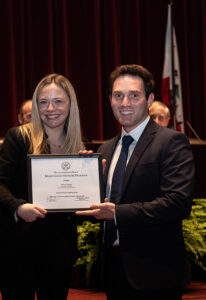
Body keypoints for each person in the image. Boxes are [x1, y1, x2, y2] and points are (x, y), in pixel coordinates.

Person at [76, 64, 194, 300]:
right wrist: (85, 182)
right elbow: (101, 207)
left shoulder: (172, 142)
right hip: (113, 272)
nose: (125, 103)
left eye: (134, 96)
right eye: (118, 95)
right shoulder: (106, 149)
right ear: (110, 100)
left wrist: (117, 212)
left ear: (150, 99)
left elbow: (178, 203)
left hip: (156, 273)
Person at [0, 74, 85, 300]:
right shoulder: (18, 137)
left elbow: (84, 205)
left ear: (70, 104)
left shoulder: (77, 146)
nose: (50, 108)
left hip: (60, 249)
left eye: (58, 101)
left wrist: (95, 176)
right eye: (43, 102)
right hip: (19, 246)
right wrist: (18, 208)